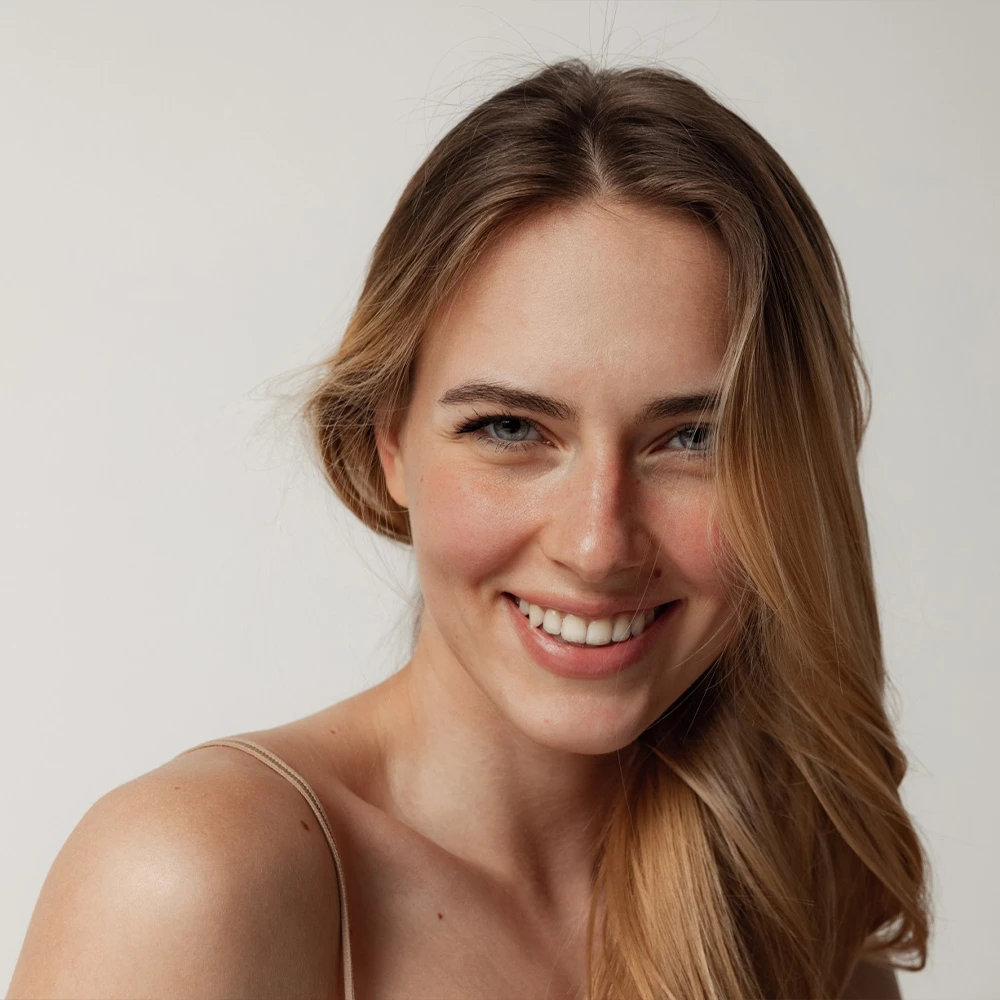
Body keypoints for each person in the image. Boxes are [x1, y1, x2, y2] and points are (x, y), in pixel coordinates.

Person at [7, 58, 930, 999]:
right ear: (389, 446)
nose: (598, 544)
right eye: (511, 430)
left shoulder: (794, 908)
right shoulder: (189, 884)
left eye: (693, 437)